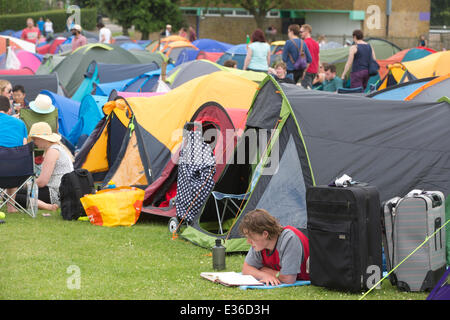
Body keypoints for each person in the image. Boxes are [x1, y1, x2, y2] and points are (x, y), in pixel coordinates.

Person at [239, 209, 309, 286]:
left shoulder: (289, 238)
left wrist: (264, 270)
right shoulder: (260, 244)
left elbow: (288, 279)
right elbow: (246, 269)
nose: (248, 241)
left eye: (251, 237)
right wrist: (264, 275)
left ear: (265, 234)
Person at [14, 122, 74, 212]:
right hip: (61, 191)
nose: (34, 143)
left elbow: (42, 182)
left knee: (14, 195)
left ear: (42, 138)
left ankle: (48, 206)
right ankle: (47, 205)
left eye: (35, 139)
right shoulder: (56, 148)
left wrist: (25, 185)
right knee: (14, 192)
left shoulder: (52, 151)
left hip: (56, 193)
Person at [0, 96, 28, 213]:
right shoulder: (20, 124)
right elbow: (24, 147)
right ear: (9, 110)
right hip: (17, 172)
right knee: (14, 159)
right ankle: (11, 207)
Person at [300, 24, 320, 89]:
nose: (300, 34)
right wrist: (318, 71)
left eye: (301, 32)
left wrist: (304, 71)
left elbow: (304, 59)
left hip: (307, 70)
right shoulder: (316, 43)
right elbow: (318, 58)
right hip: (314, 71)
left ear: (307, 31)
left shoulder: (304, 43)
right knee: (309, 89)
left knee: (306, 91)